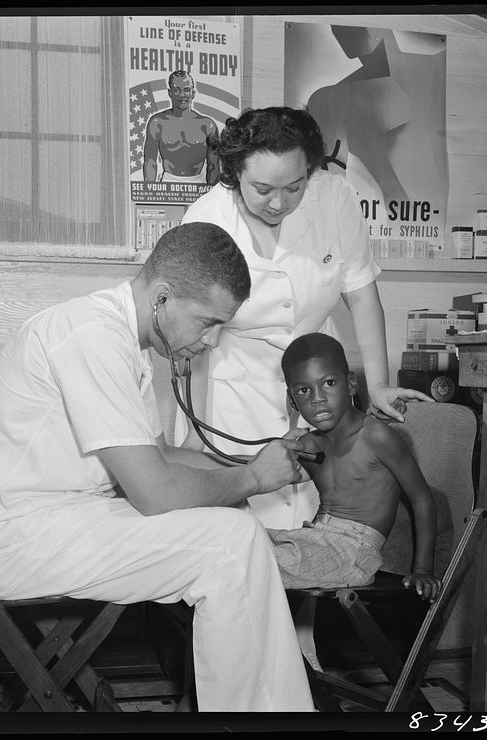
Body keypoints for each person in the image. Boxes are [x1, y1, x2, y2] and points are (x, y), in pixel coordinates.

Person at [0, 221, 314, 712]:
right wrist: (251, 479)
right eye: (208, 322)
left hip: (46, 519)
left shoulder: (118, 335)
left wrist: (257, 462)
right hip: (15, 540)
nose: (213, 341)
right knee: (232, 543)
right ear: (162, 297)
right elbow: (155, 491)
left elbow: (158, 455)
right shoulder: (93, 337)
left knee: (237, 526)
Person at [176, 106, 432, 530]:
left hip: (317, 382)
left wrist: (380, 383)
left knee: (318, 518)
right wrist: (192, 428)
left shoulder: (334, 197)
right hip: (234, 389)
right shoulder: (207, 218)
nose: (278, 202)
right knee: (238, 528)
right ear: (235, 171)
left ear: (310, 172)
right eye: (262, 189)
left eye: (294, 187)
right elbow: (194, 334)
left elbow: (362, 294)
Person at [267, 333, 441, 600]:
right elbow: (269, 472)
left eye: (328, 383)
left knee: (254, 565)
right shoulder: (310, 444)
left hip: (355, 552)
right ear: (292, 400)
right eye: (304, 391)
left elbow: (422, 499)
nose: (318, 398)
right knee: (245, 541)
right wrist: (285, 446)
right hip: (315, 537)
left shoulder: (376, 437)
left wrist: (423, 569)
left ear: (350, 385)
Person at [143, 70, 219, 184]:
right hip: (169, 182)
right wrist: (149, 191)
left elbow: (213, 165)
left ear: (193, 93)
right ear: (170, 92)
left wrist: (211, 194)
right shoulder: (157, 122)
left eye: (186, 90)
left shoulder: (208, 125)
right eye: (177, 90)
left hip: (198, 184)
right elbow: (150, 161)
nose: (182, 95)